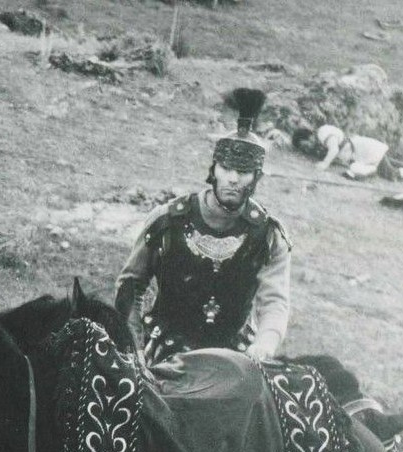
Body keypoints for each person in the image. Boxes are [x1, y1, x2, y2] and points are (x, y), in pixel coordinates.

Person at [116, 88, 291, 366]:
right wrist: (133, 345)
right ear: (213, 170)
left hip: (234, 355)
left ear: (256, 177)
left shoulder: (267, 236)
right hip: (163, 348)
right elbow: (130, 285)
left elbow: (274, 302)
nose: (233, 179)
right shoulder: (168, 219)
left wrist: (265, 343)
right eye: (226, 168)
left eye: (243, 172)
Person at [292, 124, 403, 182]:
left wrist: (325, 164)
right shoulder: (319, 141)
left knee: (390, 174)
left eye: (305, 145)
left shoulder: (323, 132)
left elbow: (334, 149)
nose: (307, 148)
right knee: (396, 164)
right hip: (359, 152)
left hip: (363, 148)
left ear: (308, 137)